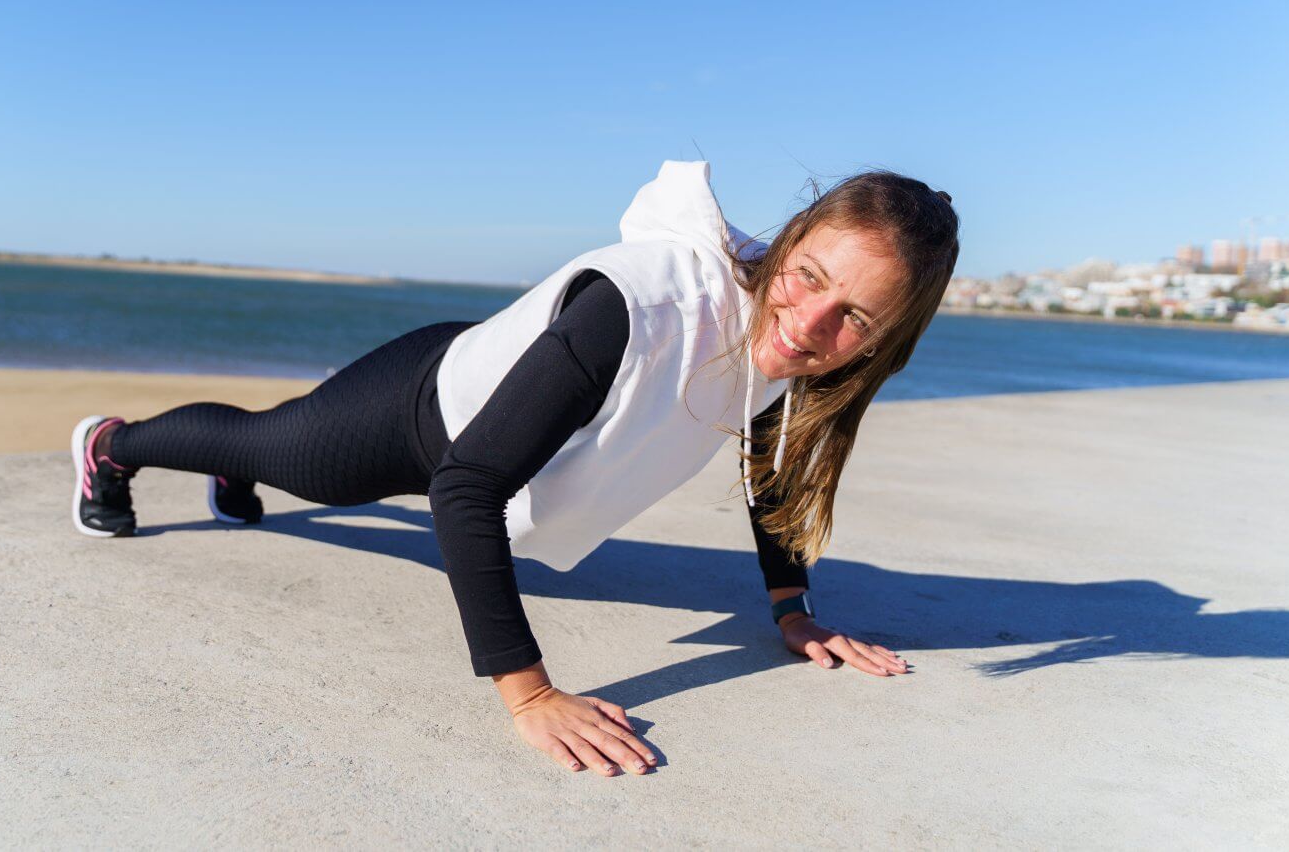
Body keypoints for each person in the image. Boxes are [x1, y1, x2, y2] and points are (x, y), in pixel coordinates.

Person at [67, 159, 960, 778]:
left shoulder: (803, 353)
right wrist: (527, 692)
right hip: (421, 412)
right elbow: (465, 485)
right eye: (808, 276)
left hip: (499, 421)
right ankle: (109, 445)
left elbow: (766, 452)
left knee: (270, 449)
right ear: (792, 237)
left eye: (855, 319)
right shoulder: (644, 303)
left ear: (887, 342)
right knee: (266, 444)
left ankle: (239, 473)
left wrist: (791, 612)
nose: (810, 324)